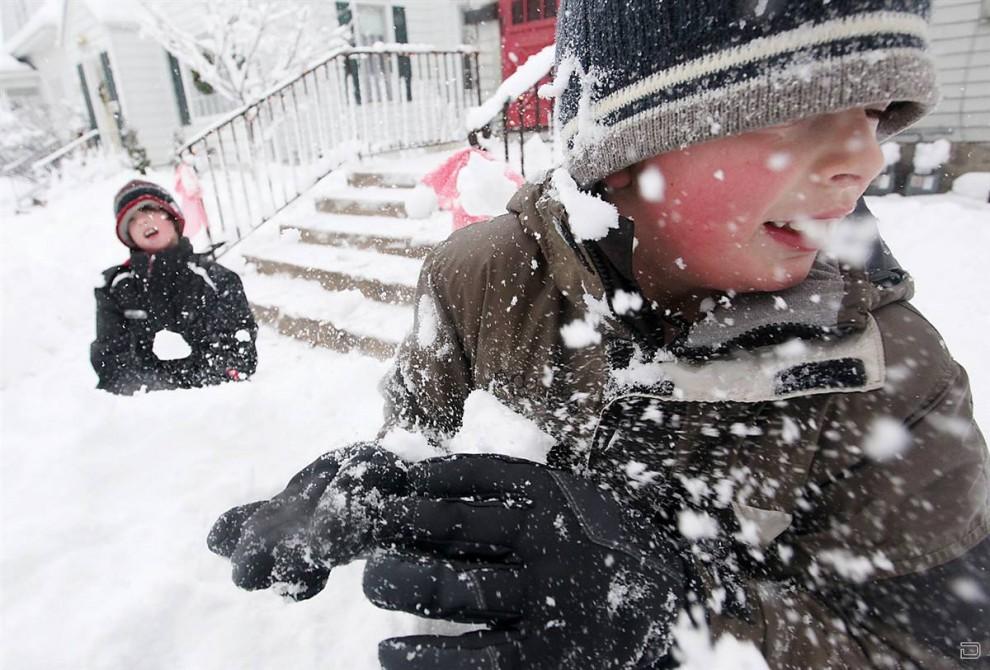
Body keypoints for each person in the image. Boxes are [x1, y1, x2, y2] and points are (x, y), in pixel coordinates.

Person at [207, 1, 989, 668]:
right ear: (622, 151)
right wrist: (386, 479)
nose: (862, 157)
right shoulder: (477, 278)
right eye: (799, 109)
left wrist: (681, 621)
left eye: (875, 113)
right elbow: (427, 434)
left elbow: (934, 647)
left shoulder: (895, 379)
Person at [91, 179, 258, 395]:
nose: (142, 221)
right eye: (132, 219)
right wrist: (157, 394)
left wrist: (173, 390)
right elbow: (113, 368)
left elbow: (237, 358)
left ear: (172, 216)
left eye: (148, 209)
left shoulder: (217, 280)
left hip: (217, 409)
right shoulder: (115, 287)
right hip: (141, 414)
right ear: (128, 235)